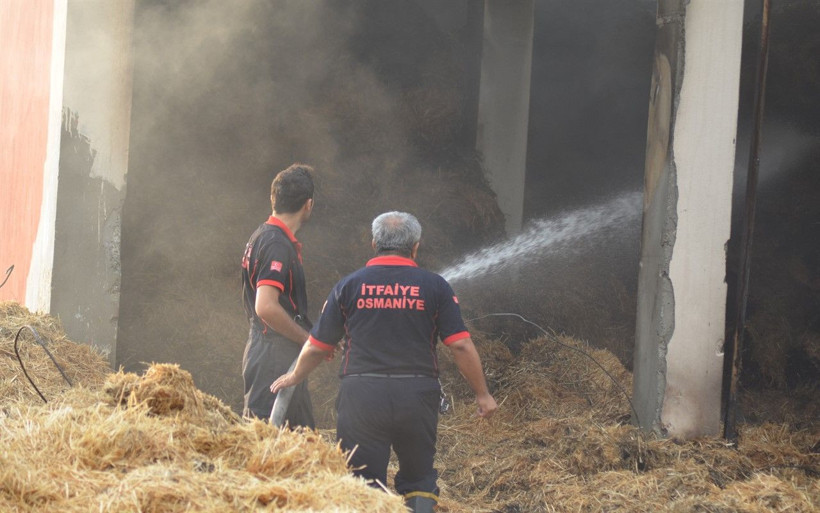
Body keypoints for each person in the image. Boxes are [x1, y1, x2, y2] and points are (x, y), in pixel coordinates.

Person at [272, 211, 497, 513]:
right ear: (415, 246)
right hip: (416, 398)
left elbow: (316, 347)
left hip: (361, 398)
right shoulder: (436, 286)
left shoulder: (348, 286)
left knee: (361, 484)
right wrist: (482, 394)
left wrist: (294, 376)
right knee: (419, 478)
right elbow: (460, 345)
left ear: (374, 242)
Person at [241, 163, 316, 426]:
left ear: (274, 197)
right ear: (308, 205)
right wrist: (308, 340)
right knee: (264, 443)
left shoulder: (263, 236)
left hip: (276, 353)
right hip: (272, 356)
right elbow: (266, 307)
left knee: (302, 439)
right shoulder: (276, 245)